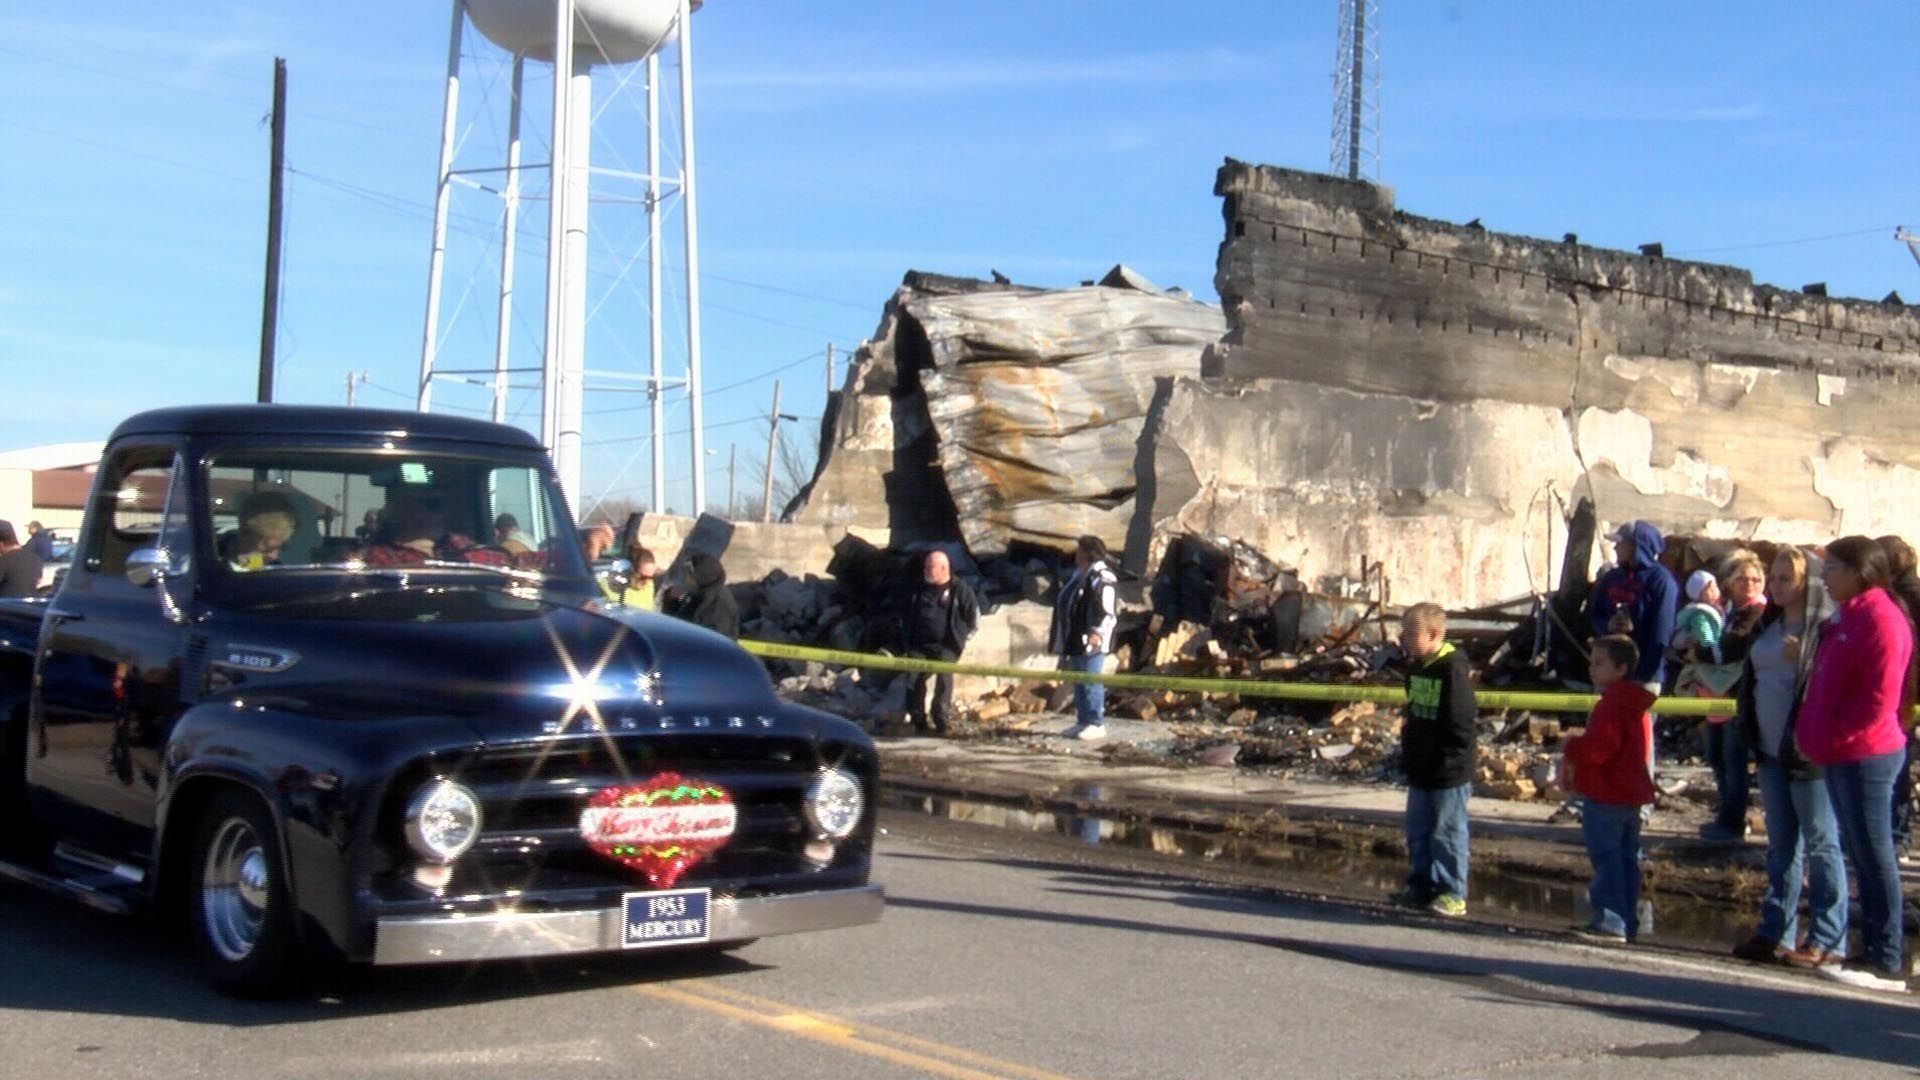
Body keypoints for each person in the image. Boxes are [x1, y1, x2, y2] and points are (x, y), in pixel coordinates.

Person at [1797, 536, 1914, 993]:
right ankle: (1870, 949)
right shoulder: (1848, 615)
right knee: (1860, 854)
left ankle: (1887, 956)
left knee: (1875, 852)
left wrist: (1831, 736)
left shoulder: (1881, 618)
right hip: (1840, 750)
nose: (1824, 577)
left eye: (1833, 568)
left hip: (1867, 752)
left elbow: (1878, 700)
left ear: (1858, 571)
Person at [1727, 547, 1847, 969]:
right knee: (1781, 845)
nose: (1776, 586)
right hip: (1770, 749)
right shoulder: (1769, 626)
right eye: (1773, 578)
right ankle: (1774, 928)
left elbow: (1839, 686)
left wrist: (1807, 663)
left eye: (1785, 579)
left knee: (1821, 843)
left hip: (1809, 753)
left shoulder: (1826, 632)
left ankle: (1829, 938)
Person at [1562, 634, 1658, 944]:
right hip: (1629, 794)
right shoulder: (1635, 705)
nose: (1592, 669)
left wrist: (1573, 746)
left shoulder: (1611, 705)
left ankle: (1610, 920)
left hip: (1607, 792)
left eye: (1599, 663)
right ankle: (1627, 919)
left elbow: (1599, 749)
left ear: (1620, 668)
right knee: (1627, 858)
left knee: (1607, 857)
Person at [1392, 603, 1477, 917]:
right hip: (1420, 766)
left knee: (1447, 830)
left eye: (1410, 633)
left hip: (1447, 769)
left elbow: (1462, 720)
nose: (1404, 638)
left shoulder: (1452, 668)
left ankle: (1451, 892)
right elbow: (1414, 712)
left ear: (1434, 634)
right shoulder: (1416, 667)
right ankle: (1421, 886)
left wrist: (1450, 757)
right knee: (1418, 830)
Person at [1696, 551, 1769, 844]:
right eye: (1742, 579)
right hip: (1716, 695)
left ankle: (1732, 821)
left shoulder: (1756, 612)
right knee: (1716, 757)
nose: (1749, 584)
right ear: (1729, 582)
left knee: (1732, 759)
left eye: (1755, 579)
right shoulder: (1726, 611)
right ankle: (1727, 814)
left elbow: (1730, 648)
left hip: (1738, 697)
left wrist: (1699, 652)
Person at [1588, 521, 1680, 693]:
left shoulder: (1661, 581)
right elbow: (1595, 614)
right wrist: (1608, 625)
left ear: (1637, 546)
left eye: (1620, 543)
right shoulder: (1612, 578)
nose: (1615, 548)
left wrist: (1644, 674)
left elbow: (1662, 631)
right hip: (1609, 674)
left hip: (1643, 675)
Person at [1874, 535, 1920, 863]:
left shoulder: (1904, 598)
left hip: (1905, 691)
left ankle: (1898, 834)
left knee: (1898, 766)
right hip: (1904, 690)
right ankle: (1895, 833)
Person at [900, 550, 980, 736]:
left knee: (944, 676)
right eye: (926, 566)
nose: (926, 570)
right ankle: (918, 718)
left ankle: (941, 719)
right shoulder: (917, 588)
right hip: (919, 644)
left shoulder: (959, 589)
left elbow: (973, 618)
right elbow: (905, 614)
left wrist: (962, 637)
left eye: (930, 567)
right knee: (913, 677)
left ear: (944, 568)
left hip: (947, 644)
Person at [1049, 535, 1118, 741]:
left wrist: (1098, 632)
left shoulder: (1103, 577)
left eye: (1079, 550)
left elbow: (1107, 609)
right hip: (1076, 637)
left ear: (1088, 553)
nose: (1076, 554)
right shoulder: (1080, 574)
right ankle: (1083, 720)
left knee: (1090, 679)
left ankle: (1096, 722)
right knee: (1079, 679)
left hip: (1092, 640)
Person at [361, 486, 508, 568]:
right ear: (399, 510)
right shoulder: (378, 554)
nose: (442, 512)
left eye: (442, 504)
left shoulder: (459, 544)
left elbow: (504, 564)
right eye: (432, 504)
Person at [661, 552, 739, 639]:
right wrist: (672, 601)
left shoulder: (718, 604)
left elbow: (714, 641)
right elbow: (677, 620)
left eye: (689, 575)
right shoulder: (697, 593)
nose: (686, 578)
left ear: (701, 577)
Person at [219, 490, 299, 569]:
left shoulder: (276, 570)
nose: (274, 556)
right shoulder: (210, 561)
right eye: (267, 549)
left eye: (282, 548)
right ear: (245, 533)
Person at [0, 520, 43, 598]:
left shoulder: (3, 561)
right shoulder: (36, 559)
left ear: (1, 543)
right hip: (29, 607)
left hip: (7, 607)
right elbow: (38, 581)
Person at [616, 545, 660, 610]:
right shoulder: (609, 587)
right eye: (643, 577)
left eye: (650, 577)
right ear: (630, 570)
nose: (647, 581)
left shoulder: (650, 585)